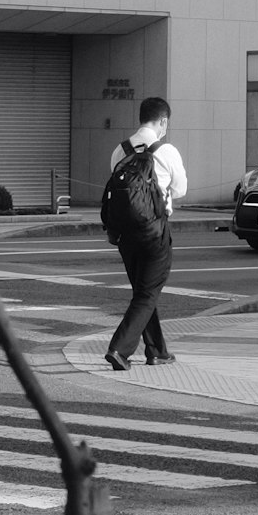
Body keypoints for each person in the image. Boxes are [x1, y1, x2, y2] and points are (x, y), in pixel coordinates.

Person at [105, 96, 187, 371]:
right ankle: (119, 349)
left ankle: (157, 351)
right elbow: (181, 189)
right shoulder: (167, 151)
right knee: (147, 294)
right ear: (163, 121)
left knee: (143, 292)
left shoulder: (120, 150)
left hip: (125, 235)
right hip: (154, 231)